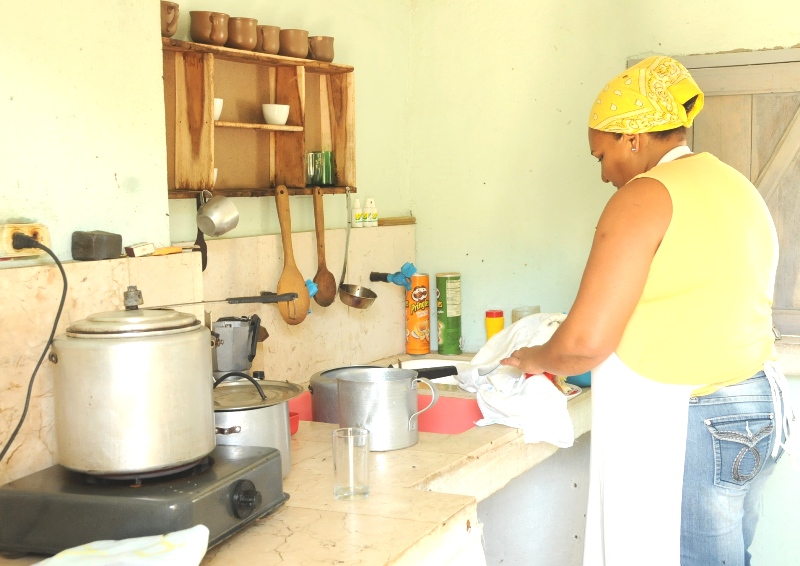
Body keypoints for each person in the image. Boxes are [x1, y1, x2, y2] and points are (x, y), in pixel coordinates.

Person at [501, 55, 795, 566]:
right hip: (760, 404)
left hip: (699, 420)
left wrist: (534, 357)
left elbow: (586, 343)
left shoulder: (644, 196)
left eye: (600, 155)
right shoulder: (735, 186)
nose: (602, 174)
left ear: (631, 139)